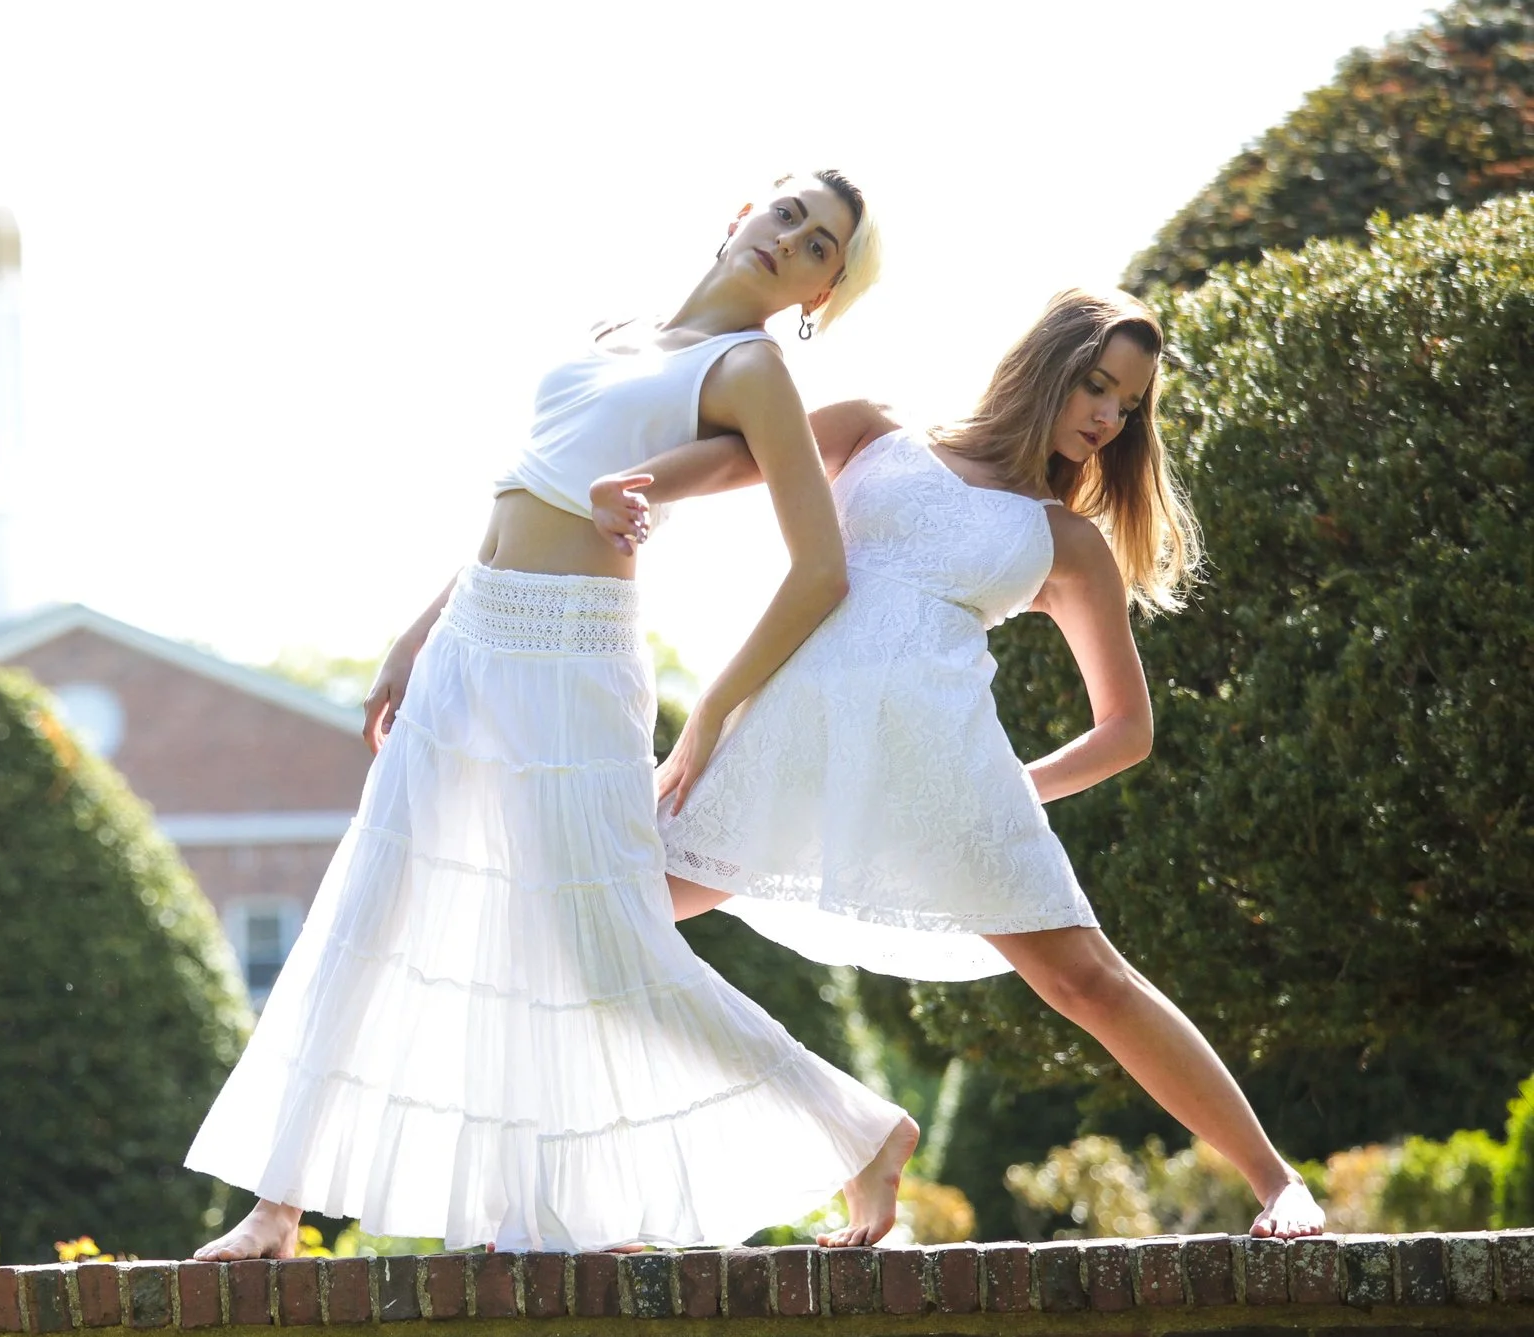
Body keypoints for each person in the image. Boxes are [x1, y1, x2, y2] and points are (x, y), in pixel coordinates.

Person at [188, 171, 921, 1260]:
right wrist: (414, 634)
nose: (792, 241)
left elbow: (820, 569)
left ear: (821, 292)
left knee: (597, 944)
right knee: (372, 907)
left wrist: (711, 715)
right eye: (786, 214)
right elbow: (529, 487)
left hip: (573, 658)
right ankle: (276, 1208)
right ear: (737, 212)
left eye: (821, 247)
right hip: (470, 636)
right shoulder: (610, 329)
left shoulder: (751, 368)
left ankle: (857, 1129)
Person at [634, 286, 1323, 1238]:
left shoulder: (1065, 540)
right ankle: (846, 1135)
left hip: (950, 777)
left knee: (1089, 980)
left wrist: (1016, 786)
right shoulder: (874, 431)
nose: (1107, 417)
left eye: (1127, 405)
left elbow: (1127, 729)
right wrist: (620, 488)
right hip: (786, 741)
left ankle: (1277, 1180)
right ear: (1047, 361)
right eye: (1096, 385)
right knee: (611, 908)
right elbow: (724, 463)